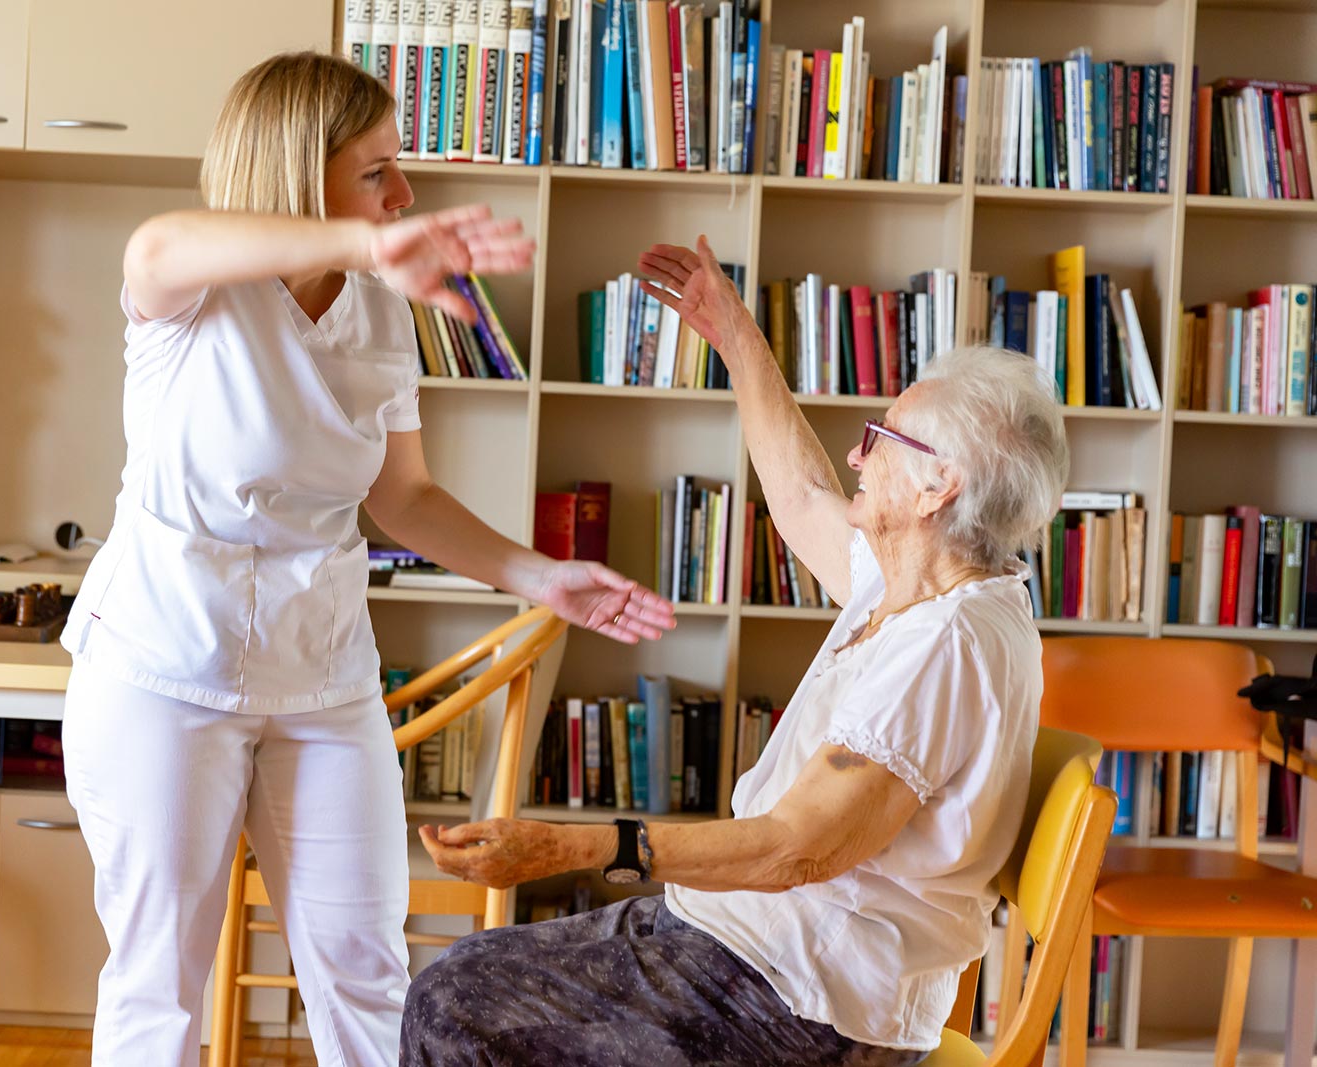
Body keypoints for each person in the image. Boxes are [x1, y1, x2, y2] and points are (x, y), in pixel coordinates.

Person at [57, 52, 676, 1067]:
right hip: (163, 666)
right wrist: (375, 239)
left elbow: (402, 495)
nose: (405, 193)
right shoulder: (191, 292)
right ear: (305, 174)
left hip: (323, 673)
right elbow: (159, 241)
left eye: (401, 170)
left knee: (365, 962)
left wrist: (539, 574)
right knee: (158, 977)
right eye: (377, 170)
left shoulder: (382, 308)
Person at [404, 235, 1070, 1067]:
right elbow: (800, 496)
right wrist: (737, 339)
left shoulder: (947, 641)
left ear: (941, 488)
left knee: (454, 1006)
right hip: (750, 943)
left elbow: (798, 846)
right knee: (463, 981)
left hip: (801, 1000)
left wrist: (575, 846)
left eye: (883, 438)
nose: (859, 452)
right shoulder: (922, 579)